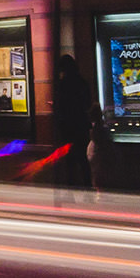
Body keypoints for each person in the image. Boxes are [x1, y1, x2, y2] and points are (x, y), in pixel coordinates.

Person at [50, 54, 93, 188]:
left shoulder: (62, 85)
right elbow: (88, 103)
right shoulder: (82, 82)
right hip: (81, 125)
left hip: (67, 127)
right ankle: (87, 185)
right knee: (83, 159)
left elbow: (60, 106)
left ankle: (72, 186)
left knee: (70, 161)